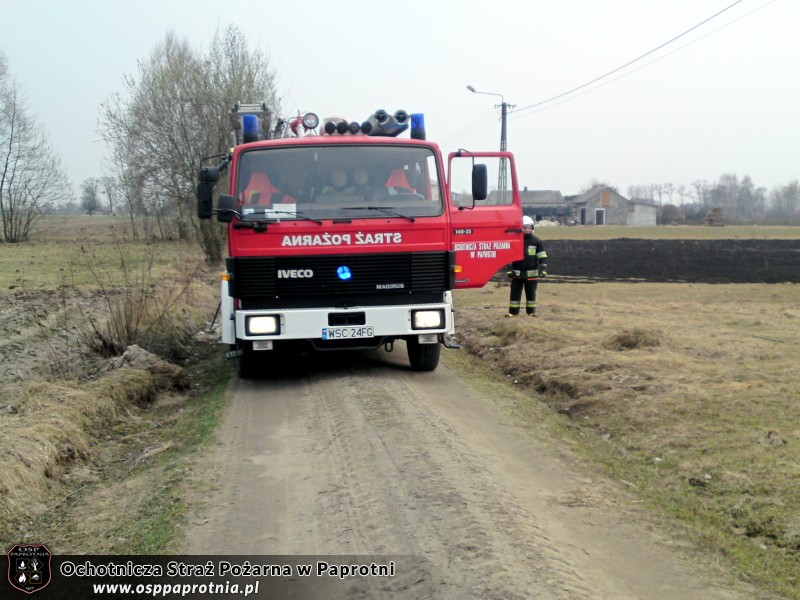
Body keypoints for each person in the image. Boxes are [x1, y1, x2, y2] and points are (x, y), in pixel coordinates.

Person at [506, 215, 548, 317]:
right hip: (517, 273)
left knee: (531, 294)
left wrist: (543, 269)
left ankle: (531, 312)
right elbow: (508, 257)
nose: (527, 230)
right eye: (525, 228)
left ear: (532, 228)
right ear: (521, 228)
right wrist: (509, 270)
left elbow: (542, 255)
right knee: (515, 293)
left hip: (532, 274)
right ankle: (513, 313)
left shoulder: (536, 241)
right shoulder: (515, 241)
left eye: (529, 228)